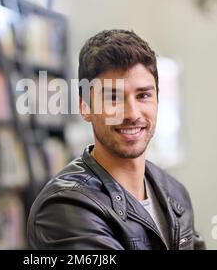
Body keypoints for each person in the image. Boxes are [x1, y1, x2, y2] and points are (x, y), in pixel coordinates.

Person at [27, 29, 205, 250]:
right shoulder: (65, 205)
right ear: (85, 107)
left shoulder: (175, 193)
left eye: (143, 95)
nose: (132, 113)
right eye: (113, 97)